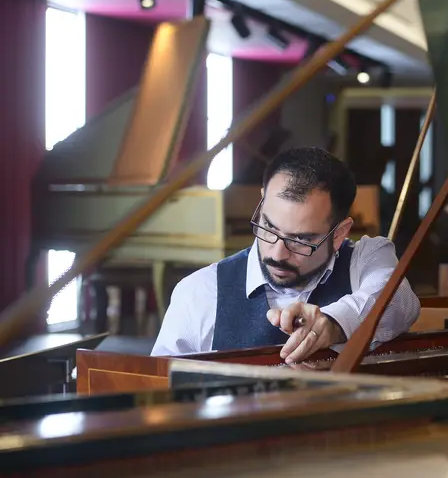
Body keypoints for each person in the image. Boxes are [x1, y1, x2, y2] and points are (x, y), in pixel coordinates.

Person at [151, 147, 420, 364]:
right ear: (262, 201)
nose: (277, 254)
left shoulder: (365, 260)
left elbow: (399, 299)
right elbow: (163, 391)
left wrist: (332, 323)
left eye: (301, 239)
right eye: (268, 227)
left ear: (339, 234)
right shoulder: (200, 292)